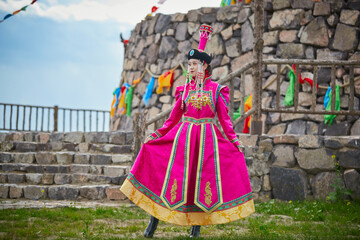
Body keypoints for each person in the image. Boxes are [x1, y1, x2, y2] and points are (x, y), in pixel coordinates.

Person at [120, 24, 255, 238]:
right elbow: (173, 117)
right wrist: (158, 134)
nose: (190, 68)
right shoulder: (184, 90)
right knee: (168, 179)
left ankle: (196, 228)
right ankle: (153, 222)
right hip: (182, 142)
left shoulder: (217, 90)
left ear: (204, 66)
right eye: (189, 64)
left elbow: (225, 121)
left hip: (207, 143)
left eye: (194, 64)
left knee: (199, 183)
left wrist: (235, 141)